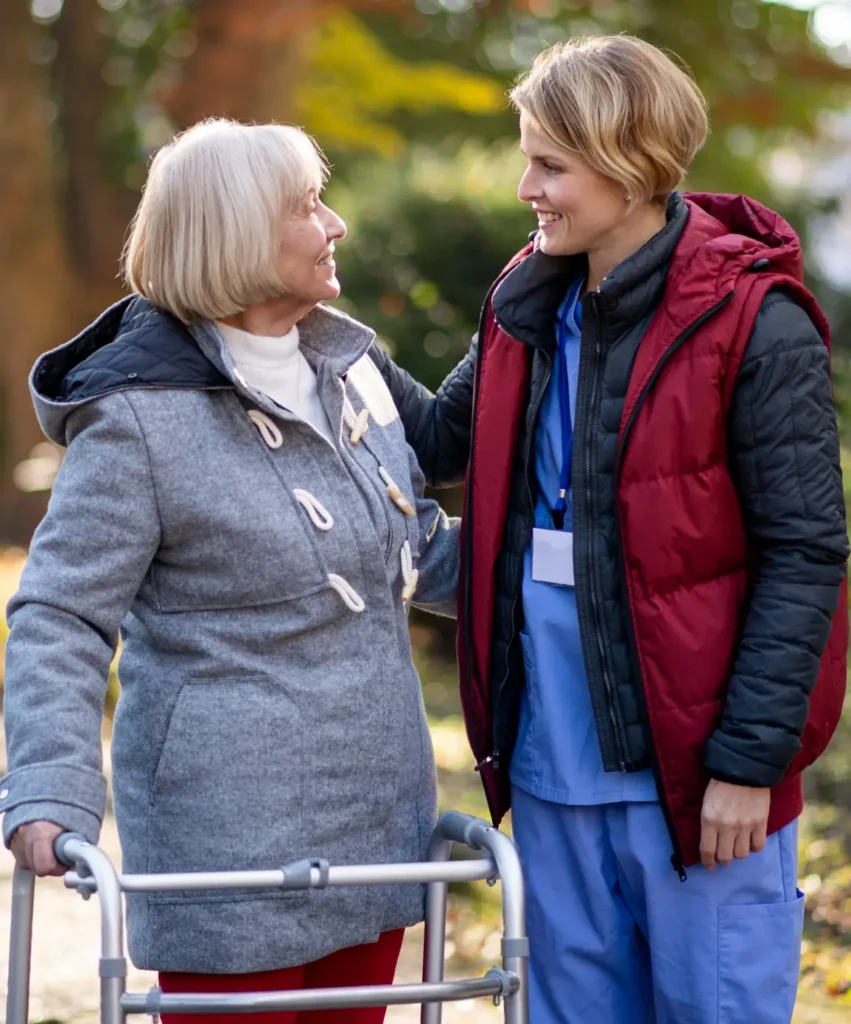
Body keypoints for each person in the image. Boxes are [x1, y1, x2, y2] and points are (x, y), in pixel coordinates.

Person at [370, 35, 849, 1023]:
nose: (523, 188)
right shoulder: (528, 305)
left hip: (699, 782)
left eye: (548, 164)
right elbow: (434, 441)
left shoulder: (756, 322)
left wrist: (747, 763)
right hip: (550, 772)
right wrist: (304, 330)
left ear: (626, 165)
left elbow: (803, 554)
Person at [1, 118, 459, 1024]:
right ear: (238, 231)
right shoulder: (136, 418)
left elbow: (415, 548)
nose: (336, 226)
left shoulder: (350, 366)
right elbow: (61, 613)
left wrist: (585, 580)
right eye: (307, 206)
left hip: (375, 816)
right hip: (227, 840)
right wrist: (50, 784)